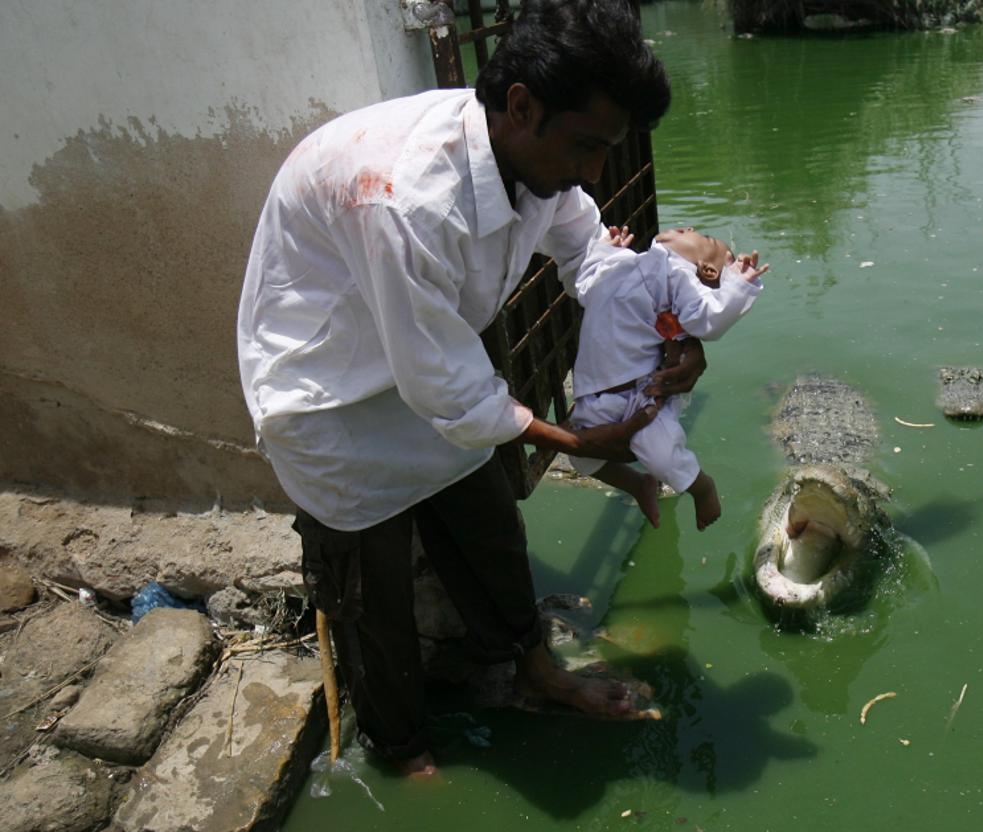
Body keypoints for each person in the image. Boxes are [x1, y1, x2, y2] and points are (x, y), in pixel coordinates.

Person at [236, 0, 698, 777]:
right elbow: (446, 388)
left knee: (489, 530)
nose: (592, 171)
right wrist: (580, 444)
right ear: (522, 106)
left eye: (606, 150)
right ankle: (401, 747)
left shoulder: (532, 160)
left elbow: (588, 254)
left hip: (426, 361)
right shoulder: (405, 198)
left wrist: (670, 325)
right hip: (332, 400)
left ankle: (532, 668)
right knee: (370, 596)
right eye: (586, 146)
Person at [567, 226, 768, 530]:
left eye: (705, 238)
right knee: (579, 457)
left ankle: (702, 487)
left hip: (641, 393)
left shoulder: (677, 276)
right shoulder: (627, 261)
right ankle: (637, 484)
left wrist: (739, 285)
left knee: (661, 456)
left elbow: (708, 319)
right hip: (596, 393)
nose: (688, 228)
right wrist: (605, 250)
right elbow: (585, 284)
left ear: (707, 269)